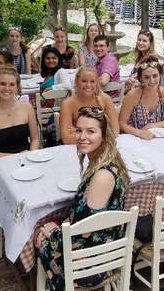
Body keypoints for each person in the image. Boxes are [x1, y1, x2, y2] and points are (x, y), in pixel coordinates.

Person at [36, 107, 129, 291]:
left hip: (95, 262)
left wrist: (53, 233)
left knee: (40, 236)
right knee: (47, 226)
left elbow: (83, 232)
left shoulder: (102, 176)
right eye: (79, 130)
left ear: (104, 135)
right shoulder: (104, 160)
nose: (82, 137)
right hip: (101, 243)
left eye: (90, 131)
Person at [118, 55, 164, 140]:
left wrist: (157, 125)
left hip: (157, 138)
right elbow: (121, 124)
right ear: (141, 79)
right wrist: (139, 133)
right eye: (146, 77)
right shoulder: (133, 95)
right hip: (134, 138)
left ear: (160, 76)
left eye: (155, 76)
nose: (152, 81)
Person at [0, 68, 40, 162]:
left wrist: (30, 155)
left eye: (12, 85)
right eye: (2, 84)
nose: (7, 88)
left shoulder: (27, 108)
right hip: (1, 162)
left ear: (17, 88)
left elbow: (35, 139)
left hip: (27, 159)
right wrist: (16, 157)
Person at [58, 66, 119, 144]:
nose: (88, 85)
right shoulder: (67, 104)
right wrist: (102, 134)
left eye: (92, 81)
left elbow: (115, 130)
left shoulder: (106, 100)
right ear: (76, 82)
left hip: (101, 146)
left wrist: (79, 133)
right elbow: (67, 139)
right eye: (84, 81)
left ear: (97, 83)